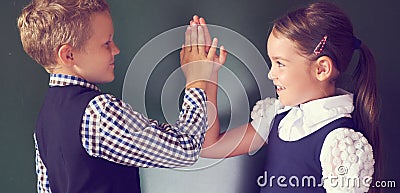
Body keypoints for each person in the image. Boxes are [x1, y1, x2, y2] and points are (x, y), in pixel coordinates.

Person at [17, 0, 224, 192]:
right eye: (106, 43)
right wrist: (196, 79)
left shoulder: (44, 120)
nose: (115, 50)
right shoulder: (98, 112)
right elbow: (185, 150)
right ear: (69, 55)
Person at [194, 2, 380, 193]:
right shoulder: (279, 117)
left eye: (280, 63)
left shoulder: (338, 143)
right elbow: (209, 145)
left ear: (322, 69)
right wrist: (207, 77)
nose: (270, 74)